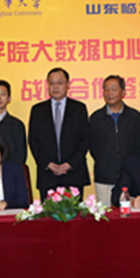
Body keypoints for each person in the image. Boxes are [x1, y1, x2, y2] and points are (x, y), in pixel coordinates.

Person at [28, 67, 90, 197]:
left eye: (60, 83)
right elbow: (33, 141)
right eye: (52, 83)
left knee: (74, 210)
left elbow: (85, 139)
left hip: (74, 174)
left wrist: (70, 164)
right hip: (47, 175)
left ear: (68, 85)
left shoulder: (79, 109)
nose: (55, 86)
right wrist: (47, 164)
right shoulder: (37, 110)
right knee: (48, 210)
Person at [89, 75, 140, 208]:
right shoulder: (96, 118)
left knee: (128, 214)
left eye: (114, 89)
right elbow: (93, 148)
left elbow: (137, 146)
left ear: (123, 92)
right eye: (106, 89)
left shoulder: (135, 117)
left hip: (130, 177)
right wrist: (105, 162)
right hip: (104, 177)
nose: (109, 93)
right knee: (105, 214)